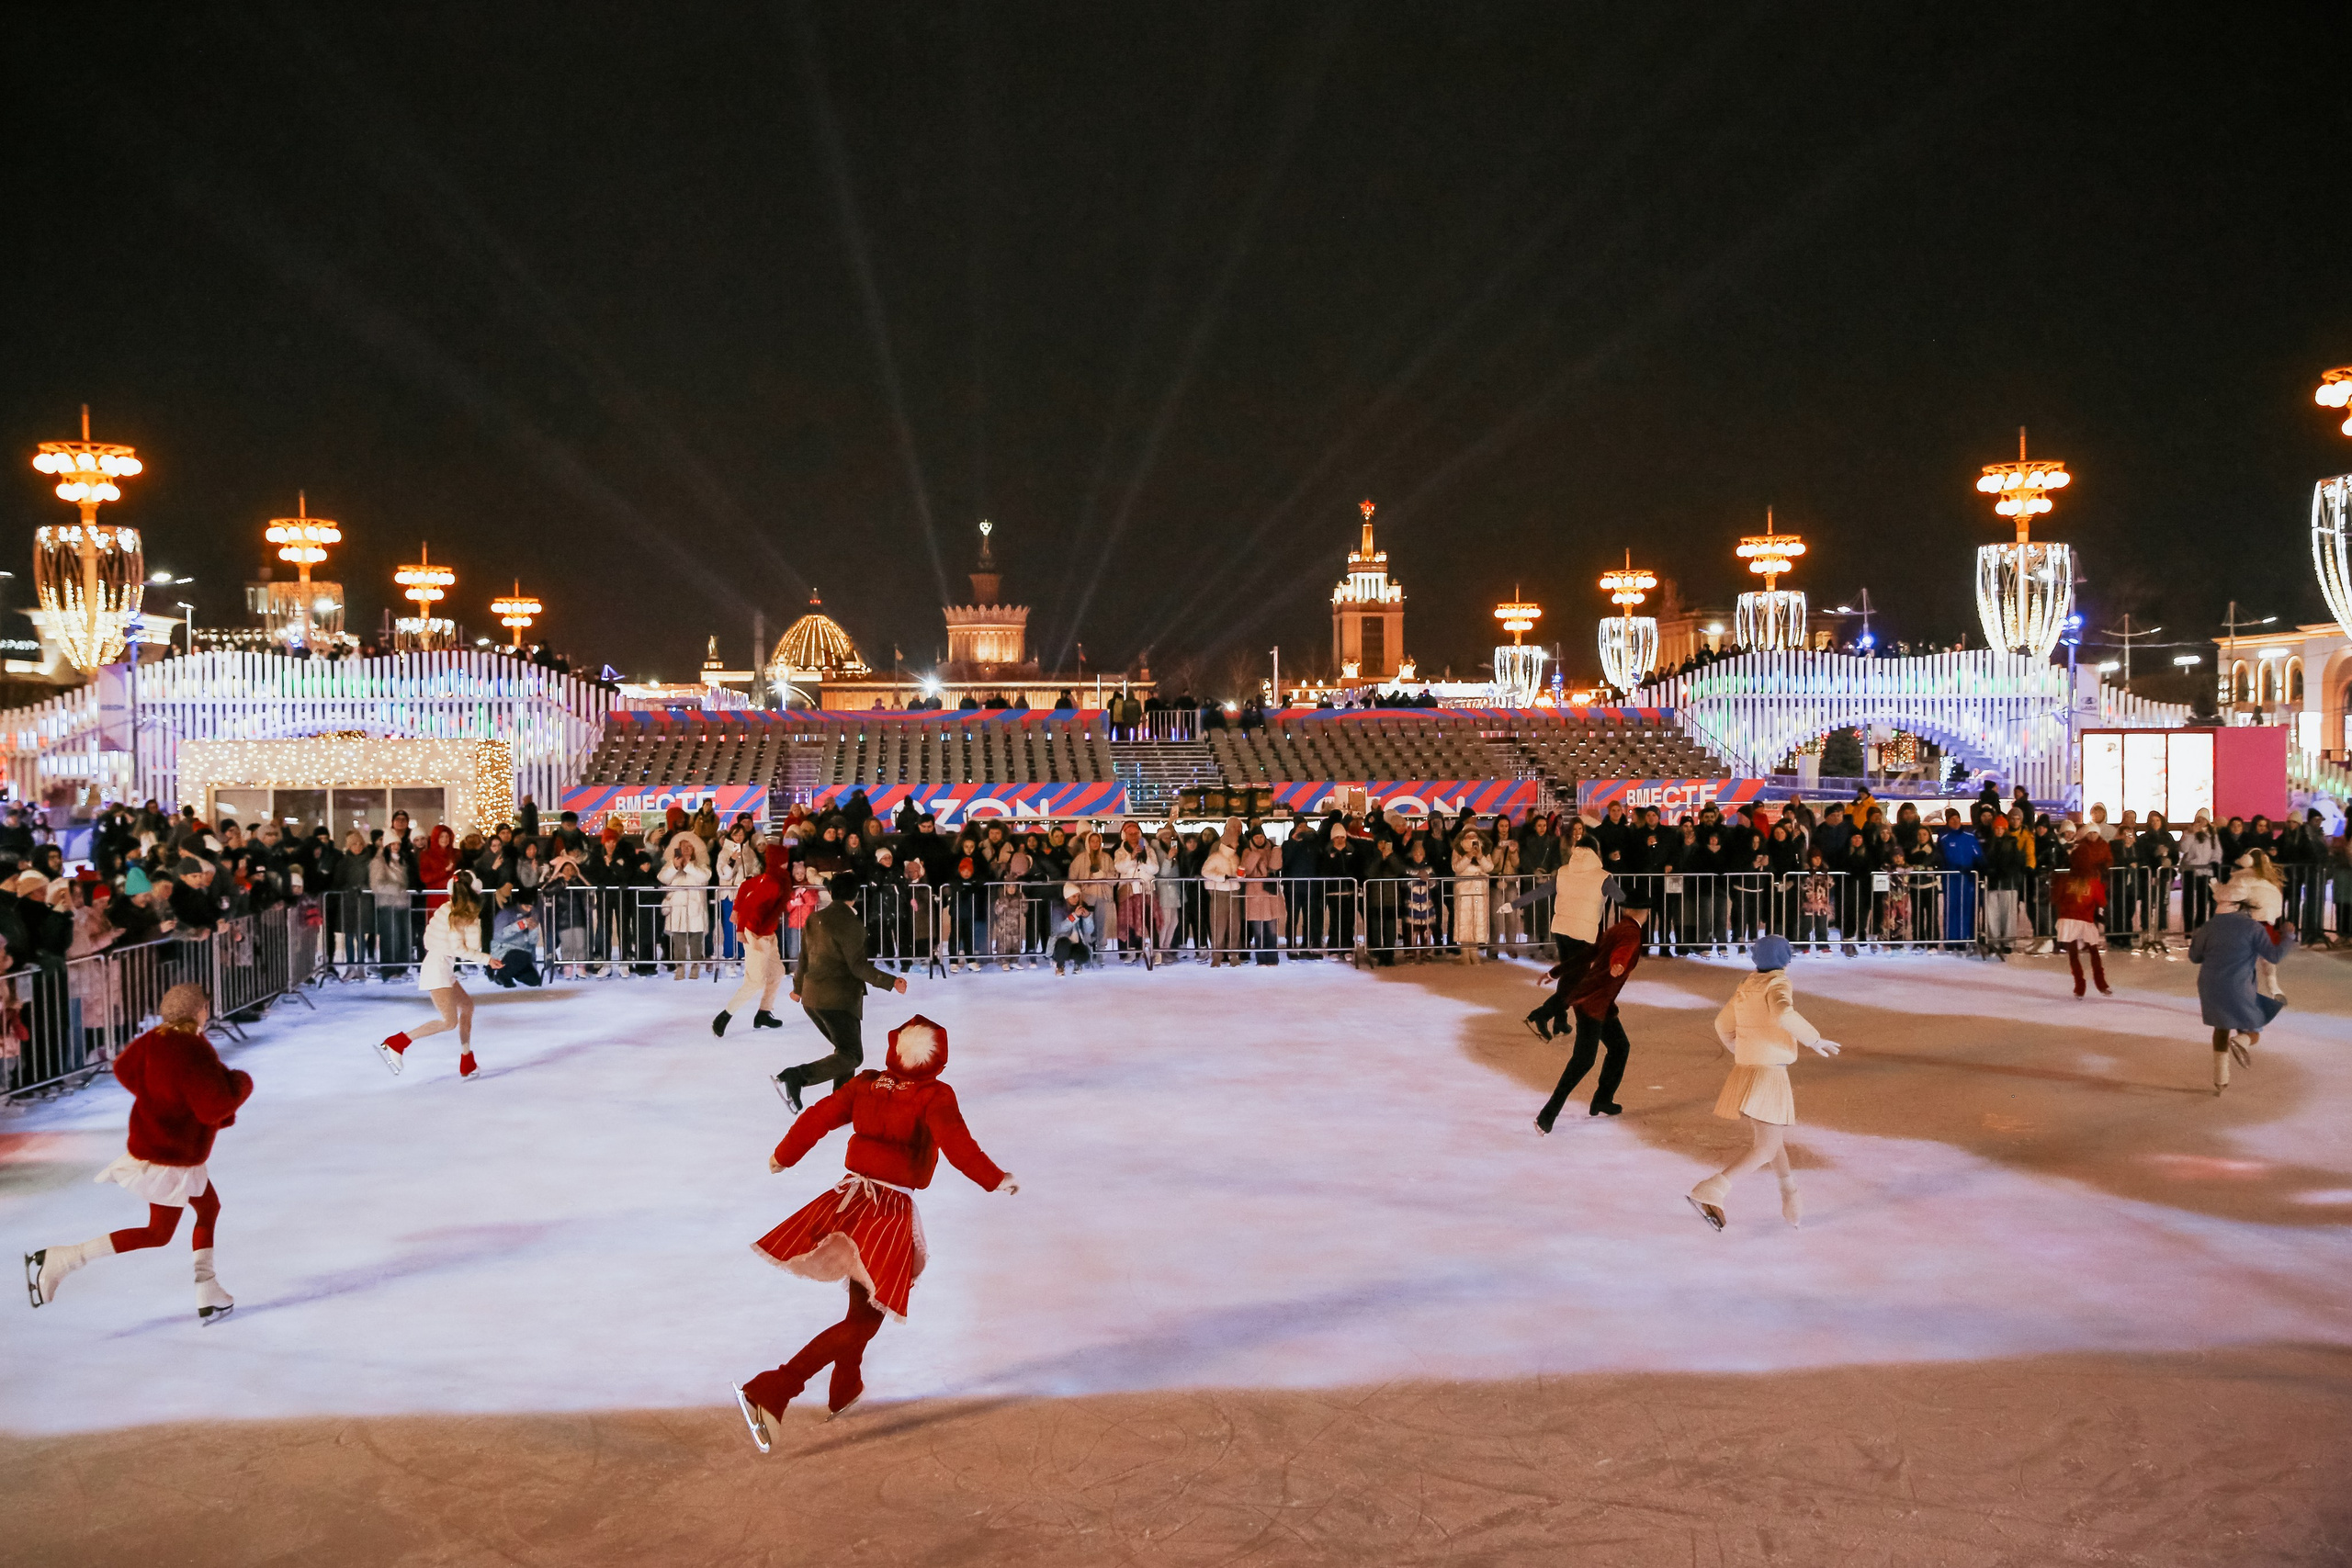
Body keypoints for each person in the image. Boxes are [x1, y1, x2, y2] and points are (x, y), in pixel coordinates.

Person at [734, 1016, 1016, 1450]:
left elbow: (819, 1117)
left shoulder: (866, 1083)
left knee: (862, 1306)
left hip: (849, 1199)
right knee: (867, 1319)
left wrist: (783, 1155)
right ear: (936, 1060)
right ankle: (774, 1387)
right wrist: (995, 1179)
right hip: (886, 1212)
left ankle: (845, 1383)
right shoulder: (934, 1095)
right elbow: (958, 1144)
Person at [24, 984, 248, 1323]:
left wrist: (157, 1099)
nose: (207, 1011)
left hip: (162, 1146)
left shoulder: (154, 1039)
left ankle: (208, 1285)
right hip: (172, 1156)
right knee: (158, 1233)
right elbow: (213, 1108)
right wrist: (241, 1084)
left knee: (208, 1206)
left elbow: (123, 1069)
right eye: (205, 1007)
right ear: (198, 1011)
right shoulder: (192, 1049)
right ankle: (61, 1259)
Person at [1686, 936, 1842, 1231]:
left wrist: (1739, 1048)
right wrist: (1814, 1039)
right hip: (1769, 1073)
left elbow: (1722, 1023)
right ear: (1786, 961)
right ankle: (1713, 1189)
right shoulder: (1777, 984)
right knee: (1766, 1148)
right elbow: (1784, 1013)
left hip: (1748, 1070)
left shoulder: (1747, 985)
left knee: (1771, 1141)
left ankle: (1791, 1198)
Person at [775, 873, 907, 1111]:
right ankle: (798, 1076)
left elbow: (804, 958)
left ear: (832, 894)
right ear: (855, 896)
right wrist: (890, 981)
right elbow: (858, 966)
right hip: (838, 999)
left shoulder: (815, 918)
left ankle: (843, 1102)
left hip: (812, 998)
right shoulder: (851, 924)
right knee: (851, 1055)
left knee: (845, 1051)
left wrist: (797, 988)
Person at [1534, 890, 1654, 1132]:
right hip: (1592, 1003)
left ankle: (1602, 1099)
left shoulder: (1618, 928)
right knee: (1583, 1061)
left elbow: (1589, 953)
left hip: (1601, 1002)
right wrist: (1617, 963)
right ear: (1645, 913)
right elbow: (1623, 951)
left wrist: (1554, 972)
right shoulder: (1630, 933)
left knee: (1619, 1047)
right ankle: (1547, 1115)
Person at [375, 870, 489, 1079]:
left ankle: (467, 1059)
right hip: (438, 968)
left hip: (440, 964)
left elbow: (428, 940)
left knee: (467, 1006)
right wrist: (487, 958)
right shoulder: (461, 916)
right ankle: (398, 1042)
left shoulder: (446, 909)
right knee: (448, 1022)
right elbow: (466, 949)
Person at [2190, 896, 2293, 1094]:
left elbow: (2195, 957)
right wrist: (2288, 936)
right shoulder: (2254, 928)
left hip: (2210, 986)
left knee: (2221, 1027)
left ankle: (2221, 1080)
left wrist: (2203, 941)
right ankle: (2241, 1041)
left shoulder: (2209, 926)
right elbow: (2274, 956)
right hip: (2239, 986)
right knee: (2254, 1028)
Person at [1527, 832, 1605, 1040]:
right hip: (1581, 932)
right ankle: (1541, 1015)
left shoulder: (1563, 871)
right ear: (1596, 853)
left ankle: (1560, 1021)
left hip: (1562, 929)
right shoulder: (1603, 876)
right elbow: (1621, 897)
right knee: (1578, 981)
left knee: (1570, 976)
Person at [714, 846, 792, 1036]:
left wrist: (735, 908)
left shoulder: (772, 878)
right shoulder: (772, 883)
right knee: (755, 981)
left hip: (767, 933)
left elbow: (746, 886)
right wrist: (740, 929)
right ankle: (725, 1016)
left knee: (777, 972)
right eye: (784, 860)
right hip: (756, 935)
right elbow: (750, 902)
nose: (787, 863)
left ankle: (764, 1012)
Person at [2052, 835, 2111, 996]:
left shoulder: (2065, 879)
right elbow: (2102, 901)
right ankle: (2101, 983)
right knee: (2093, 952)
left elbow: (2055, 898)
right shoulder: (2093, 881)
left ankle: (2079, 986)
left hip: (2068, 919)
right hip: (2085, 919)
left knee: (2073, 954)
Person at [658, 830, 713, 980]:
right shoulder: (671, 865)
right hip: (677, 909)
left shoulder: (701, 865)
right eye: (683, 846)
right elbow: (662, 878)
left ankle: (695, 966)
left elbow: (704, 878)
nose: (687, 849)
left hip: (696, 909)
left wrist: (688, 865)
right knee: (679, 942)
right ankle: (679, 967)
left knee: (696, 941)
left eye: (690, 846)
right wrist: (675, 866)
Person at [486, 886, 544, 987]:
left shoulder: (533, 914)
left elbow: (532, 941)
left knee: (534, 981)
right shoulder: (506, 914)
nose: (529, 909)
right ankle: (501, 975)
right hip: (504, 951)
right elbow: (499, 935)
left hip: (522, 953)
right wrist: (519, 925)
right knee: (523, 956)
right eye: (527, 906)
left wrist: (533, 929)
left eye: (531, 907)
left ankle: (510, 972)